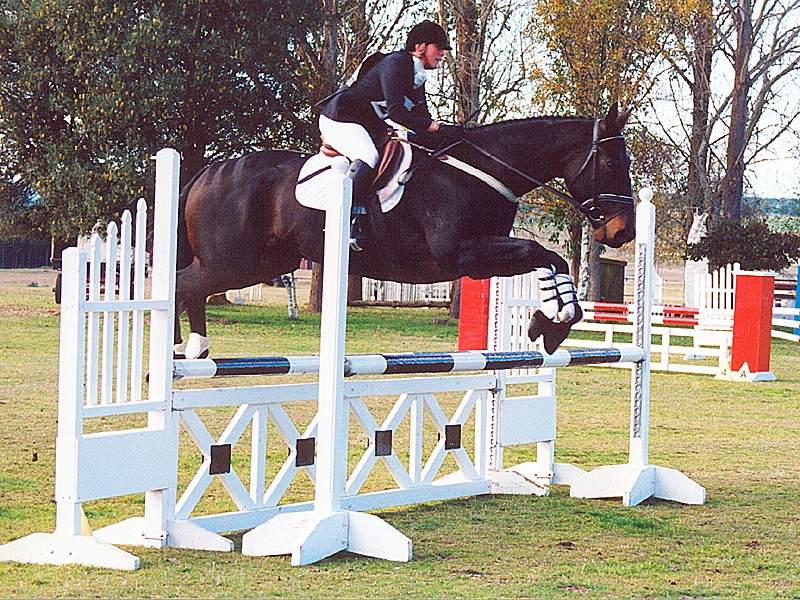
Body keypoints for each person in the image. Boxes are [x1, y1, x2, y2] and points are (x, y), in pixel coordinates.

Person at [318, 20, 466, 250]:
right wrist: (437, 128)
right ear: (420, 47)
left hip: (366, 124)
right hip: (340, 118)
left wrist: (445, 135)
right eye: (438, 48)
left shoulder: (417, 76)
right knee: (368, 156)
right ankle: (348, 221)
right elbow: (397, 112)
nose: (442, 54)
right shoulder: (397, 64)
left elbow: (421, 120)